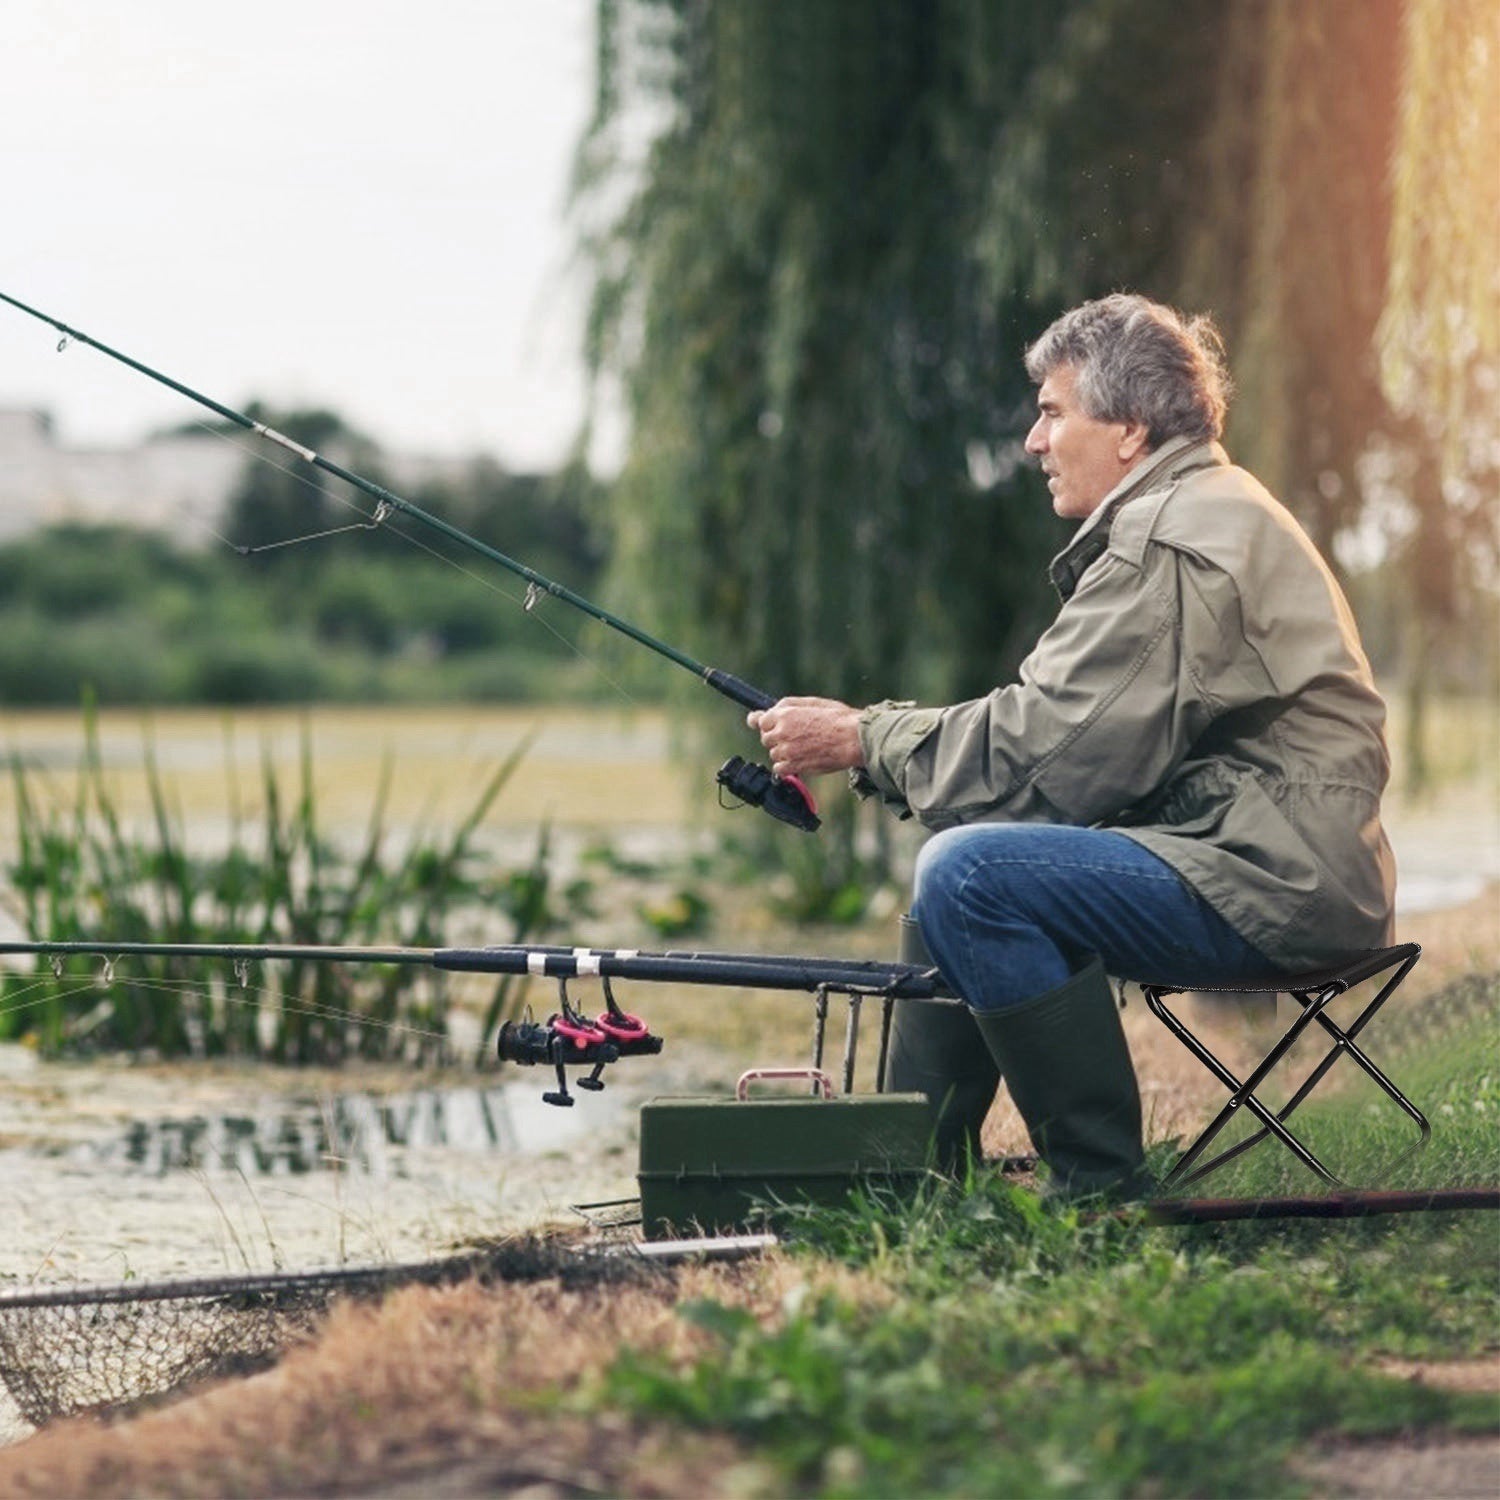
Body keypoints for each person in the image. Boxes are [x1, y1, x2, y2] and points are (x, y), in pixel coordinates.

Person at [748, 293, 1395, 1199]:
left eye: (1053, 412)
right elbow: (1069, 758)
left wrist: (864, 737)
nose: (1032, 441)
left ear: (1129, 429)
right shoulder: (1203, 508)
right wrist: (886, 749)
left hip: (1271, 887)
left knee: (969, 874)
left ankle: (1099, 1187)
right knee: (962, 870)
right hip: (1274, 867)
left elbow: (1046, 754)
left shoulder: (1169, 542)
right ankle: (904, 1179)